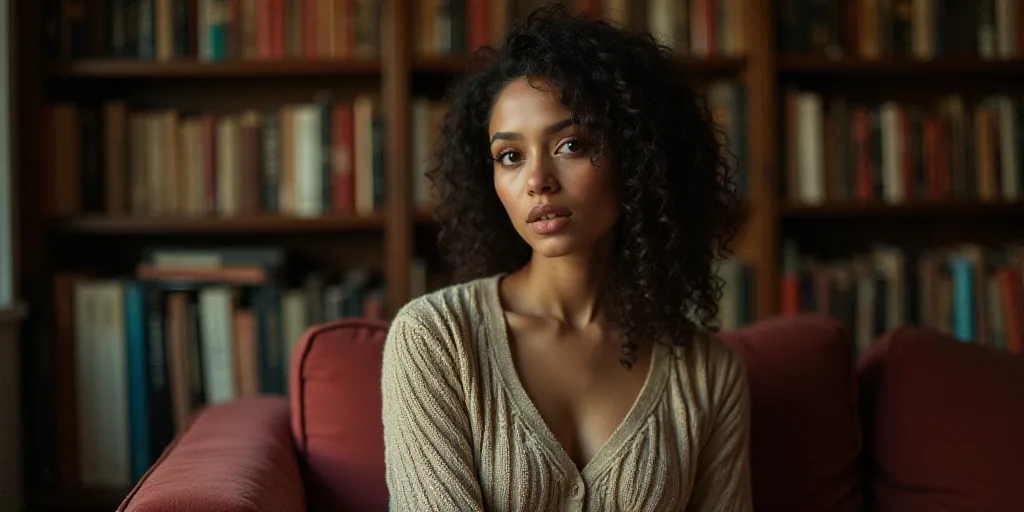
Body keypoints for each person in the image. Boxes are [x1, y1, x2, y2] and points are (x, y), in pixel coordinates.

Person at [380, 5, 752, 511]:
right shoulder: (436, 339)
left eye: (571, 144)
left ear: (639, 157)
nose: (537, 180)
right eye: (510, 156)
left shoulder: (707, 374)